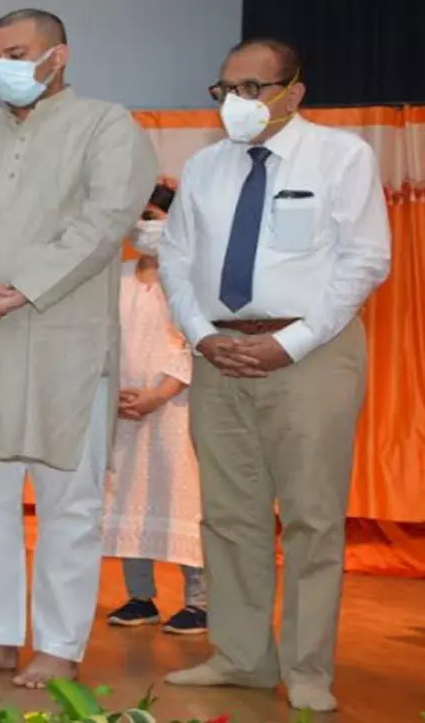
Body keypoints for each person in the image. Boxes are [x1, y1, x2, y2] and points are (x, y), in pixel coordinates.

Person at [0, 8, 157, 688]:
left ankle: (59, 644)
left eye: (16, 53)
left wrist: (21, 286)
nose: (2, 68)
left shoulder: (107, 125)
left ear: (59, 56)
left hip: (62, 339)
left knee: (67, 502)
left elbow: (105, 221)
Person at [159, 39, 390, 713]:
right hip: (219, 353)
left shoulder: (342, 157)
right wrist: (201, 336)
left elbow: (365, 261)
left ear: (295, 91)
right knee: (230, 516)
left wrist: (290, 343)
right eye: (225, 89)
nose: (238, 103)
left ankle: (309, 668)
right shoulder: (203, 168)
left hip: (311, 355)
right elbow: (175, 260)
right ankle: (240, 657)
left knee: (313, 517)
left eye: (253, 88)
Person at [102, 181, 207, 636]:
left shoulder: (189, 277)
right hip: (122, 409)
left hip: (174, 409)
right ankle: (140, 597)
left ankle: (199, 602)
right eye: (138, 217)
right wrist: (114, 394)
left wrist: (160, 394)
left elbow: (193, 341)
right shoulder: (117, 277)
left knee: (184, 498)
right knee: (126, 496)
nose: (144, 227)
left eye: (154, 217)